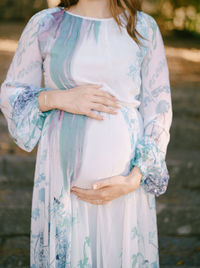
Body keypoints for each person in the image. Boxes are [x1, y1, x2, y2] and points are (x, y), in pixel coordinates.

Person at [0, 0, 173, 267]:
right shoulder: (45, 24)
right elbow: (11, 94)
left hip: (125, 190)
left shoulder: (143, 28)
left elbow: (159, 111)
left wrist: (134, 179)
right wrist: (58, 98)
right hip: (64, 190)